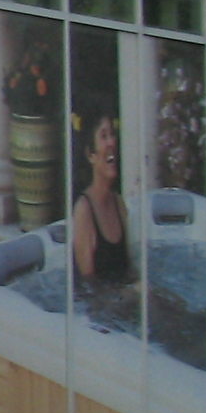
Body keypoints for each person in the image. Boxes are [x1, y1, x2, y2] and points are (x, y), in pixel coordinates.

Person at [70, 110, 131, 286]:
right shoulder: (84, 211)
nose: (112, 142)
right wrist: (127, 294)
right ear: (91, 155)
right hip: (99, 300)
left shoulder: (118, 203)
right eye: (104, 136)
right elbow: (88, 285)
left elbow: (128, 268)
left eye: (112, 134)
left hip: (122, 295)